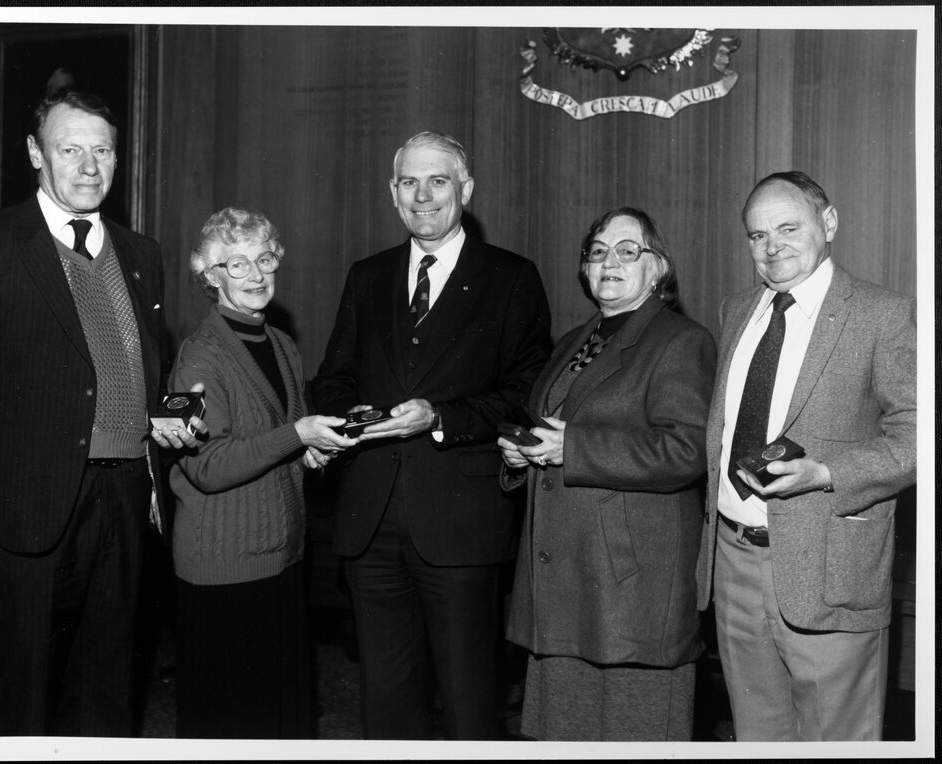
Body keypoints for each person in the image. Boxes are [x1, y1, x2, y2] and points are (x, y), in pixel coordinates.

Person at [0, 89, 205, 736]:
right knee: (26, 701)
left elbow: (120, 370)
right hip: (29, 512)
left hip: (126, 501)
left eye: (102, 150)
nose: (89, 166)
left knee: (108, 697)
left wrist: (152, 420)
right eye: (70, 149)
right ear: (35, 154)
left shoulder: (140, 254)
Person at [311, 131, 552, 739]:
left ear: (465, 191)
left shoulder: (511, 278)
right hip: (370, 519)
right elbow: (333, 380)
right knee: (386, 703)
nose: (423, 195)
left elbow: (528, 394)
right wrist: (355, 415)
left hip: (461, 522)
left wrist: (440, 417)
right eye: (409, 183)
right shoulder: (367, 276)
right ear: (394, 194)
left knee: (469, 702)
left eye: (437, 180)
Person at [696, 171, 917, 741]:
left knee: (835, 740)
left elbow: (919, 436)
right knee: (757, 736)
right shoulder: (737, 309)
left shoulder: (883, 314)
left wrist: (826, 473)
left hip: (828, 567)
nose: (772, 247)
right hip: (732, 561)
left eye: (788, 228)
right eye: (757, 234)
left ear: (829, 224)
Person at [499, 207, 716, 741]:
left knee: (633, 734)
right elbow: (551, 432)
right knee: (562, 735)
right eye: (598, 252)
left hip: (630, 587)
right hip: (563, 579)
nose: (609, 262)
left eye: (627, 250)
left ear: (657, 267)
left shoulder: (681, 341)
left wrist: (572, 447)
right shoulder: (576, 339)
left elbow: (685, 450)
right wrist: (522, 455)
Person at [167, 207, 355, 738]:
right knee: (231, 722)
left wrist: (307, 450)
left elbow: (275, 437)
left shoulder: (282, 345)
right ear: (210, 276)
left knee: (279, 719)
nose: (254, 274)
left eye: (264, 259)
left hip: (281, 553)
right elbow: (206, 465)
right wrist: (298, 436)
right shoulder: (199, 356)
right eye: (236, 264)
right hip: (223, 562)